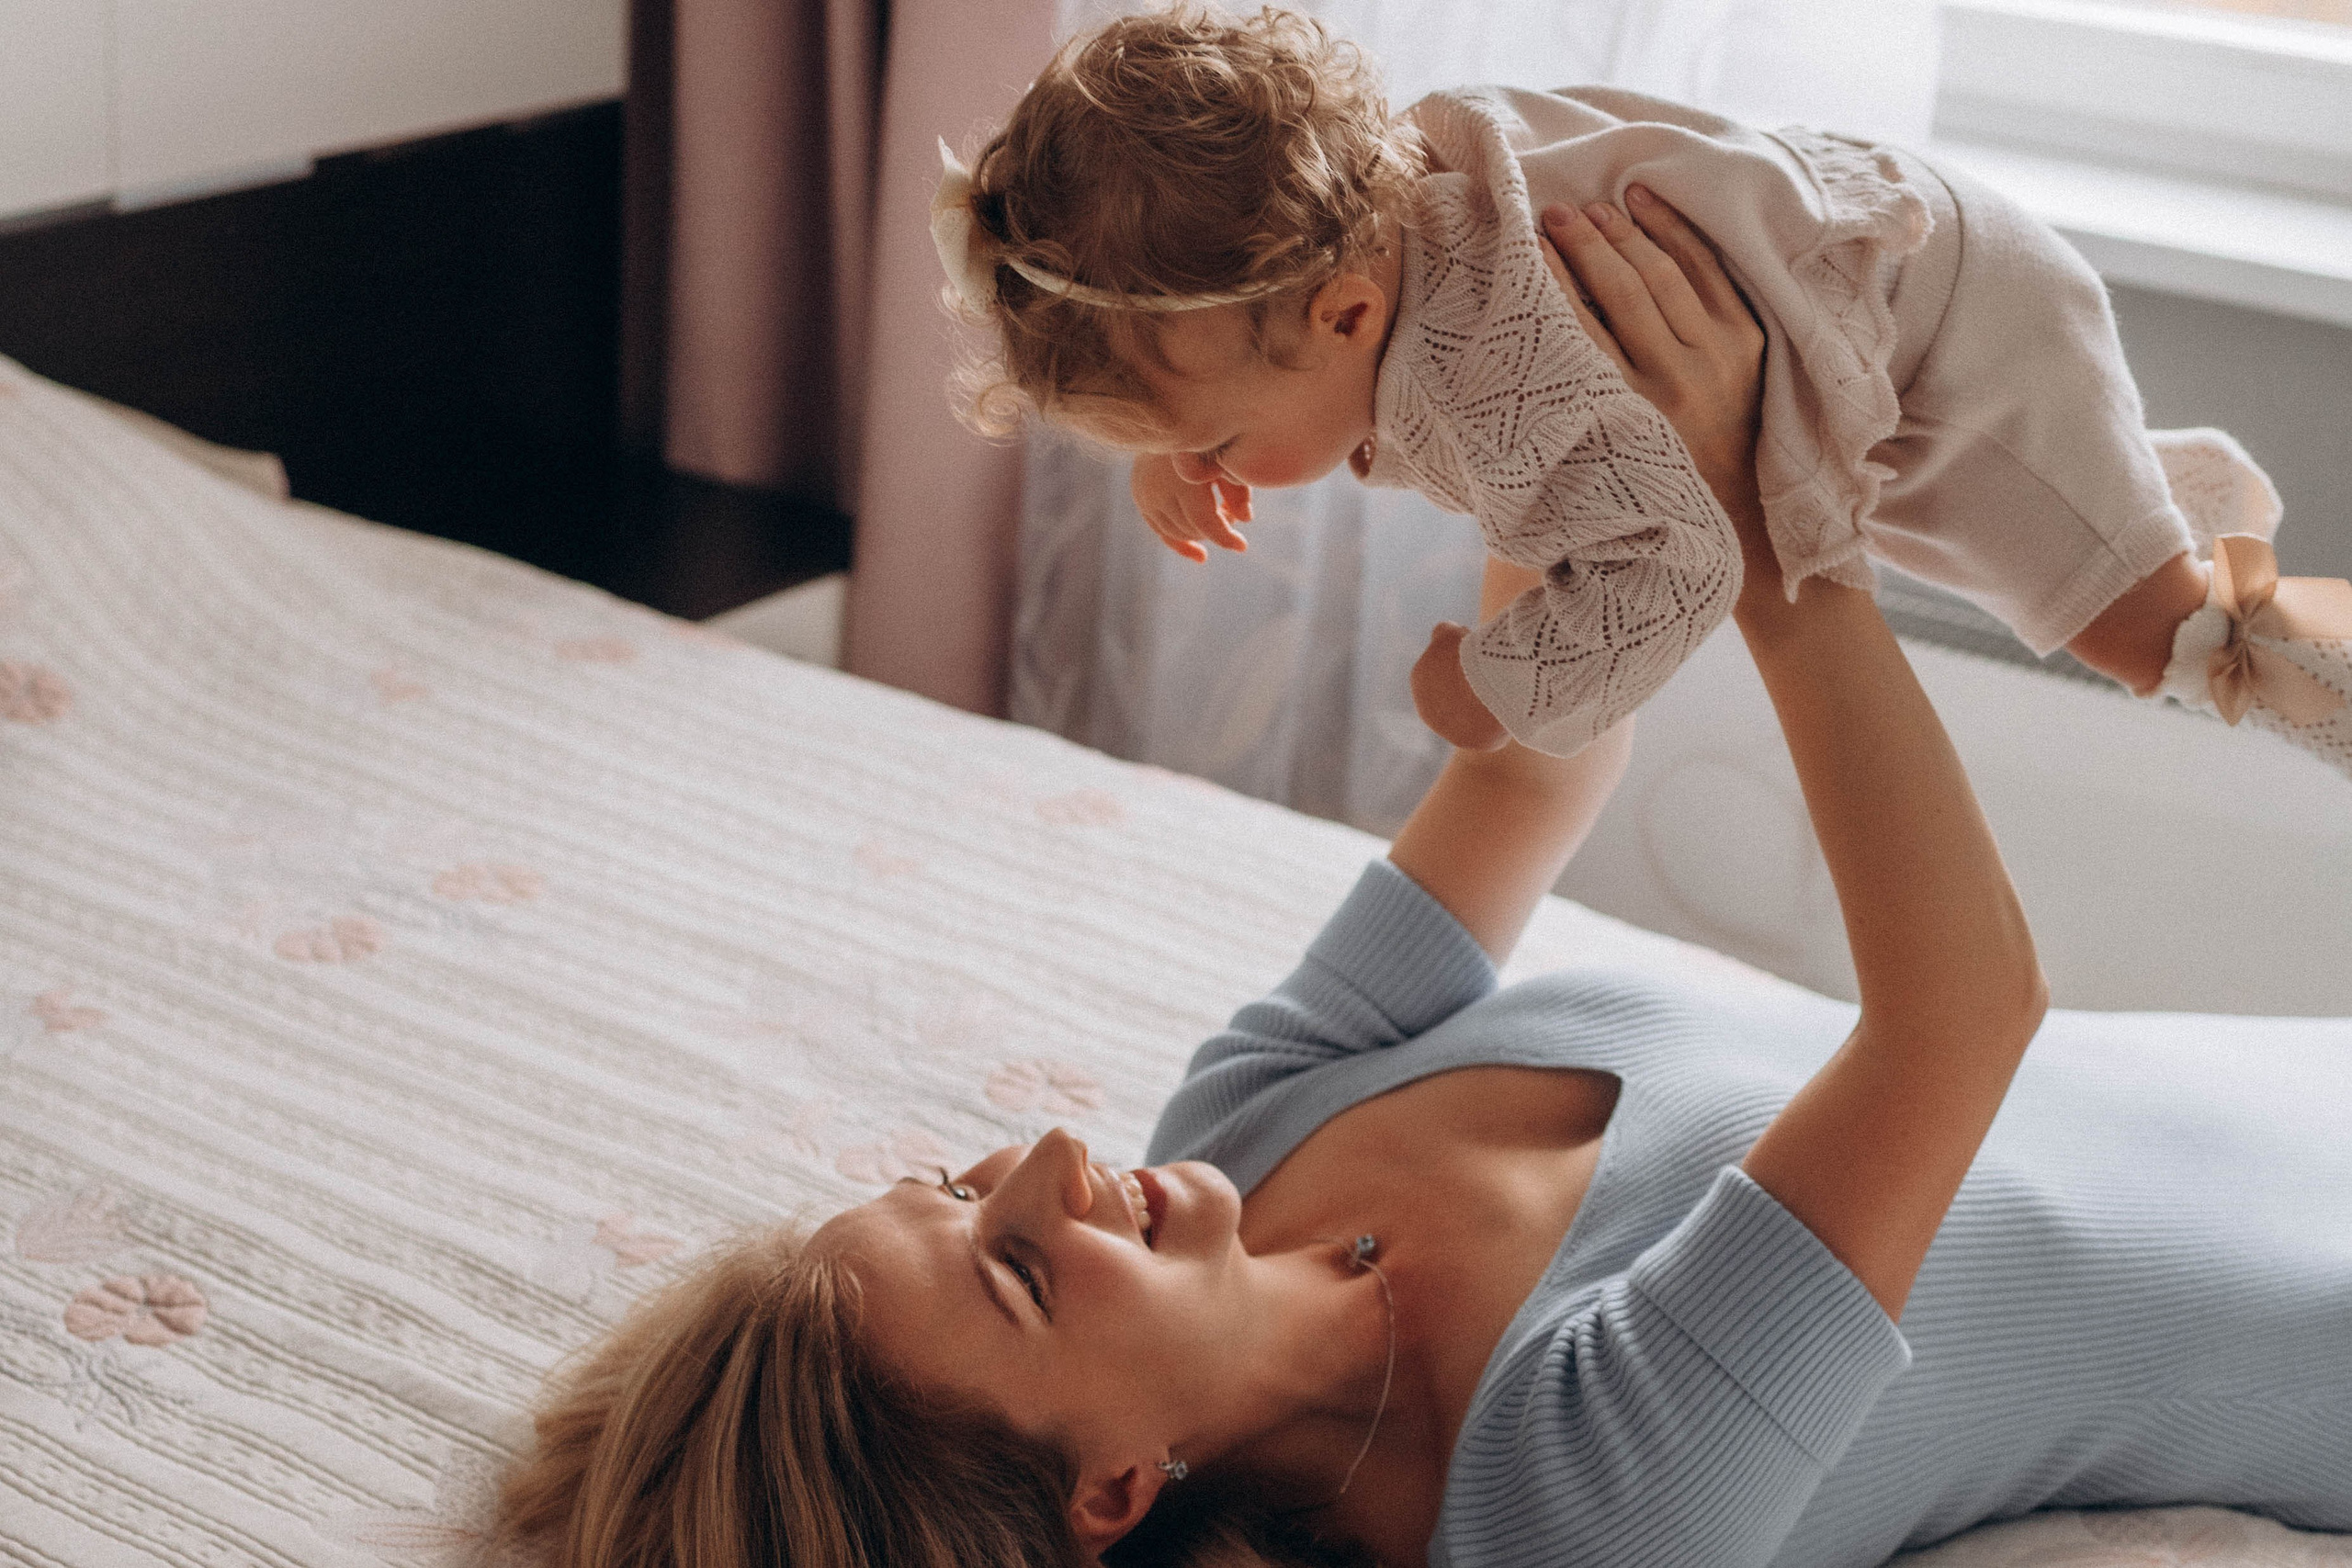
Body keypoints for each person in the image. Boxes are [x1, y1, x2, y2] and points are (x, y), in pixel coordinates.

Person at [492, 175, 2352, 1568]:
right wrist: (1775, 514)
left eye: (955, 1180)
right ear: (1110, 1492)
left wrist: (1478, 383)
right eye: (1019, 1272)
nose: (1052, 1157)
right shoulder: (1565, 1500)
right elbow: (1962, 1017)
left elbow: (1542, 748)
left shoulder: (1246, 1120)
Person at [929, 6, 2352, 774]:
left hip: (1947, 331)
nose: (1211, 465)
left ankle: (2293, 652)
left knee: (2156, 641)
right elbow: (1247, 361)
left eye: (1220, 438)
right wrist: (1185, 439)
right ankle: (2138, 488)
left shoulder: (1500, 373)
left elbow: (1677, 564)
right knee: (1985, 535)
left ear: (1347, 313)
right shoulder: (1383, 210)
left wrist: (1492, 690)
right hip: (1882, 288)